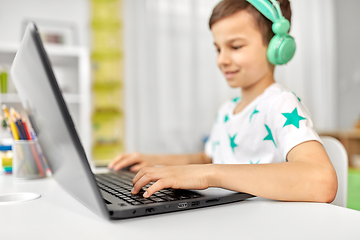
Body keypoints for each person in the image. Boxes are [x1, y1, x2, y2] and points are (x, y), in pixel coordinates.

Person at [108, 0, 338, 203]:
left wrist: (209, 174)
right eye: (218, 49)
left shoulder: (280, 104)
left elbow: (322, 180)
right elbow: (208, 158)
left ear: (277, 47)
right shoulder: (227, 110)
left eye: (235, 47)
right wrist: (153, 162)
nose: (222, 60)